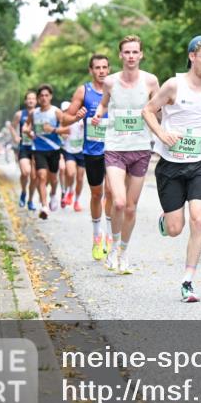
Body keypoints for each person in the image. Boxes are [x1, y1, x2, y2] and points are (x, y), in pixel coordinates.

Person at [142, 35, 201, 303]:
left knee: (198, 218)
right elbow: (148, 110)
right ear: (192, 57)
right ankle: (166, 219)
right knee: (175, 228)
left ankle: (188, 281)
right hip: (171, 165)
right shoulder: (174, 85)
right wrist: (161, 133)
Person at [90, 35, 160, 274]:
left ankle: (124, 251)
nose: (131, 56)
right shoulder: (110, 82)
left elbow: (159, 109)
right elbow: (104, 103)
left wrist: (163, 125)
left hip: (140, 149)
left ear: (141, 55)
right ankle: (113, 245)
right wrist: (99, 114)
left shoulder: (151, 81)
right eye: (127, 52)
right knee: (118, 201)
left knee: (131, 207)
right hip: (115, 148)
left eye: (135, 52)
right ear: (120, 55)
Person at [60, 54, 114, 260]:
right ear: (91, 70)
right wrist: (76, 117)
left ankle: (110, 236)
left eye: (104, 67)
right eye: (97, 67)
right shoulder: (84, 91)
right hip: (92, 151)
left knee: (112, 192)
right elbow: (64, 119)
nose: (101, 71)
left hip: (112, 149)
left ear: (109, 69)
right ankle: (96, 237)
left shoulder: (116, 89)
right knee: (97, 194)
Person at [23, 84, 70, 220]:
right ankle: (44, 206)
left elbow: (66, 129)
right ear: (38, 98)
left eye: (46, 95)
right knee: (41, 176)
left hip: (54, 149)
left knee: (54, 178)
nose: (44, 98)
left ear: (50, 97)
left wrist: (53, 130)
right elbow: (26, 125)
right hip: (38, 149)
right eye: (41, 96)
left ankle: (54, 194)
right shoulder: (34, 113)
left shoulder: (56, 112)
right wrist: (28, 131)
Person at [10, 90, 38, 211]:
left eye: (33, 98)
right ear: (25, 101)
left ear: (36, 101)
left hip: (37, 149)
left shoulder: (40, 113)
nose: (31, 100)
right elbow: (12, 126)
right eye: (29, 98)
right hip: (24, 147)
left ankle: (30, 200)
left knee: (34, 177)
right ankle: (23, 192)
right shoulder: (20, 114)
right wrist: (15, 136)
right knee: (25, 172)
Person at [59, 100, 86, 211]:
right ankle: (70, 191)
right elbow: (60, 133)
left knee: (80, 178)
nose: (67, 112)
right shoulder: (63, 122)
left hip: (81, 151)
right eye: (64, 111)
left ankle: (77, 201)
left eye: (68, 110)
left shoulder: (79, 120)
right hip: (69, 151)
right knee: (70, 173)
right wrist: (63, 134)